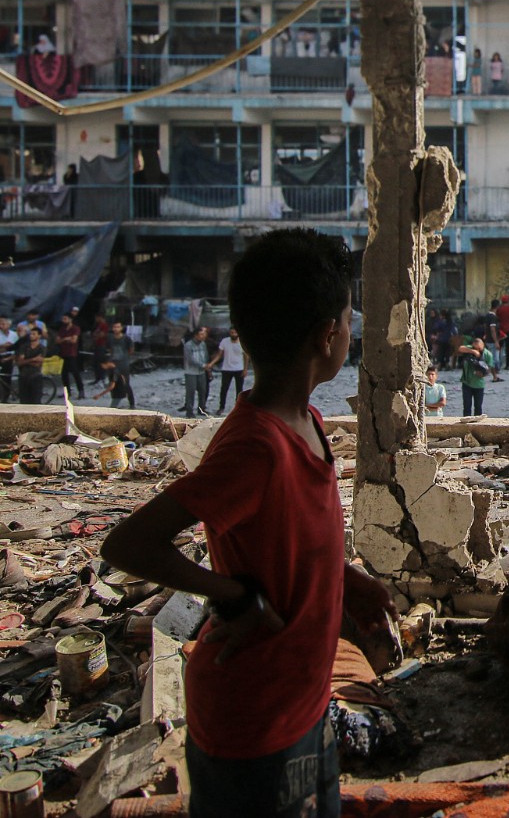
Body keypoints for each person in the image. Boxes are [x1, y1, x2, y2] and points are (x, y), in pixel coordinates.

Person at [101, 228, 393, 818]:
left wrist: (344, 580)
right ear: (328, 335)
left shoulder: (306, 421)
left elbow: (287, 541)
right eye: (348, 315)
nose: (351, 327)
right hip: (254, 721)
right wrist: (233, 596)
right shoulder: (255, 448)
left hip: (303, 702)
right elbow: (129, 543)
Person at [456, 336, 495, 417]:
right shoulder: (470, 349)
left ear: (483, 346)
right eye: (475, 347)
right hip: (467, 382)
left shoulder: (488, 354)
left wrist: (483, 374)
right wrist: (473, 351)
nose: (477, 350)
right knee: (467, 406)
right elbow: (460, 348)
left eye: (479, 348)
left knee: (478, 407)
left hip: (479, 385)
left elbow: (489, 368)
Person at [214, 327, 250, 412]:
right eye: (231, 332)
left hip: (239, 369)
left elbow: (246, 356)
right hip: (226, 369)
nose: (233, 334)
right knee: (224, 389)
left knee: (239, 389)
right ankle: (221, 407)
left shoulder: (242, 342)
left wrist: (245, 369)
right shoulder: (224, 341)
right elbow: (219, 354)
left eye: (235, 332)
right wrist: (212, 363)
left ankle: (238, 407)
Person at [182, 327, 212, 418]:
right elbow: (190, 360)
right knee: (190, 392)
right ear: (196, 335)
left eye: (204, 334)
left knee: (202, 391)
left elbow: (206, 356)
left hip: (202, 372)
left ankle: (201, 409)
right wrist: (203, 365)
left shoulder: (203, 344)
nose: (203, 336)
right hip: (191, 372)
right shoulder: (188, 345)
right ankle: (189, 411)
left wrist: (207, 368)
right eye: (201, 334)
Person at [56, 312, 84, 399]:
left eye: (65, 319)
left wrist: (64, 339)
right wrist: (67, 338)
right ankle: (67, 392)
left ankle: (81, 391)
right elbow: (57, 341)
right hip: (63, 353)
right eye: (63, 319)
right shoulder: (62, 329)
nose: (63, 320)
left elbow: (74, 340)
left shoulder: (75, 328)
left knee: (75, 372)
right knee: (64, 374)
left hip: (72, 353)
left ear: (70, 319)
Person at [15, 327, 45, 405]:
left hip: (36, 376)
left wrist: (26, 361)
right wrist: (33, 359)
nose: (31, 336)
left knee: (36, 401)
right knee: (24, 401)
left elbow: (38, 363)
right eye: (30, 334)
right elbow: (19, 362)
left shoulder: (42, 348)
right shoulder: (24, 347)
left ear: (39, 336)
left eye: (33, 334)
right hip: (23, 375)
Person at [493, 294, 509, 369]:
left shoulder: (499, 309)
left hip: (501, 331)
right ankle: (508, 365)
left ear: (502, 301)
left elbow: (496, 318)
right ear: (508, 301)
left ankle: (498, 363)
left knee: (499, 347)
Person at [0, 317, 14, 403]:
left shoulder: (14, 334)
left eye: (3, 324)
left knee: (7, 377)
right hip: (0, 356)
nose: (1, 326)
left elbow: (15, 347)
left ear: (9, 325)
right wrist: (4, 346)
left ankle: (6, 397)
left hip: (10, 357)